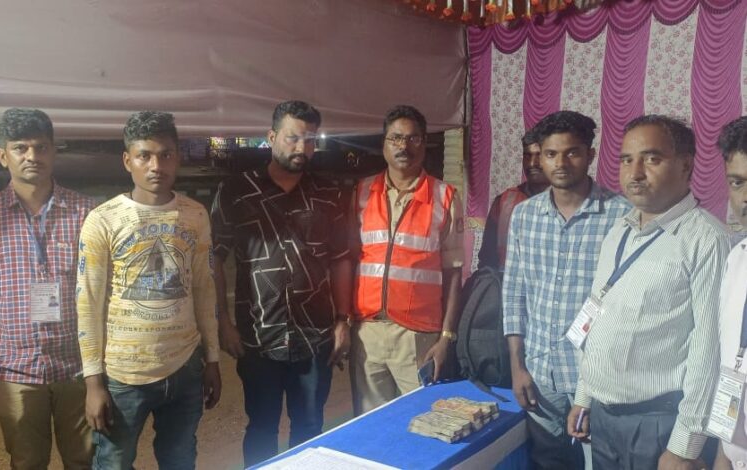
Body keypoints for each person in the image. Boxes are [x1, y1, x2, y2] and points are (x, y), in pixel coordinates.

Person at [568, 115, 730, 470]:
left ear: (686, 165)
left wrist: (684, 447)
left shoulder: (707, 240)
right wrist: (585, 396)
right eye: (626, 160)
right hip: (604, 418)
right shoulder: (619, 231)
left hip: (659, 425)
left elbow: (709, 351)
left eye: (652, 159)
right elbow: (596, 315)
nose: (635, 172)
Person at [211, 100, 352, 467]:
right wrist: (223, 322)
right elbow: (213, 259)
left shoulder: (329, 194)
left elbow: (340, 259)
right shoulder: (236, 191)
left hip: (315, 336)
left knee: (310, 427)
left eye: (310, 140)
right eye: (293, 138)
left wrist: (342, 320)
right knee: (261, 428)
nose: (302, 148)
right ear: (271, 137)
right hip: (258, 338)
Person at [77, 111, 221, 469]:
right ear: (128, 160)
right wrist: (93, 383)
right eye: (145, 155)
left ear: (178, 157)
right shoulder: (103, 220)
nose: (156, 165)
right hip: (123, 377)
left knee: (180, 459)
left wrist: (212, 359)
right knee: (113, 462)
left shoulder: (195, 215)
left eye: (166, 154)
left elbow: (204, 288)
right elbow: (88, 302)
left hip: (185, 367)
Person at [0, 108, 94, 469]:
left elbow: (104, 290)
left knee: (85, 460)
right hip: (12, 371)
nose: (32, 156)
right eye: (20, 148)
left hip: (77, 368)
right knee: (26, 462)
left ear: (54, 151)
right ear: (2, 155)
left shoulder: (87, 214)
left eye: (41, 147)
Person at [503, 110, 630, 470]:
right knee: (548, 461)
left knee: (597, 463)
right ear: (539, 157)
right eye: (550, 154)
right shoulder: (525, 216)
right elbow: (514, 294)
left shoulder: (621, 217)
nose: (560, 163)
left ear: (590, 154)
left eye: (572, 152)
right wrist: (517, 367)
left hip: (595, 378)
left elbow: (624, 306)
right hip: (540, 374)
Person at [349, 104, 464, 415]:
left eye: (413, 138)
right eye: (396, 138)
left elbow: (454, 273)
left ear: (424, 143)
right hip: (368, 332)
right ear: (384, 144)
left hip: (418, 337)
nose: (404, 146)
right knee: (372, 425)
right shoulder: (362, 192)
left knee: (424, 420)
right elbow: (349, 260)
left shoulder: (444, 197)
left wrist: (446, 336)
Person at [712, 116, 747, 470]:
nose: (746, 197)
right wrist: (723, 455)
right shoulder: (736, 257)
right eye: (738, 182)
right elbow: (731, 366)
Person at [477, 128, 548, 272]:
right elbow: (487, 259)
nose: (532, 163)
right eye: (527, 156)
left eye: (539, 155)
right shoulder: (504, 201)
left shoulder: (569, 203)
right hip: (506, 283)